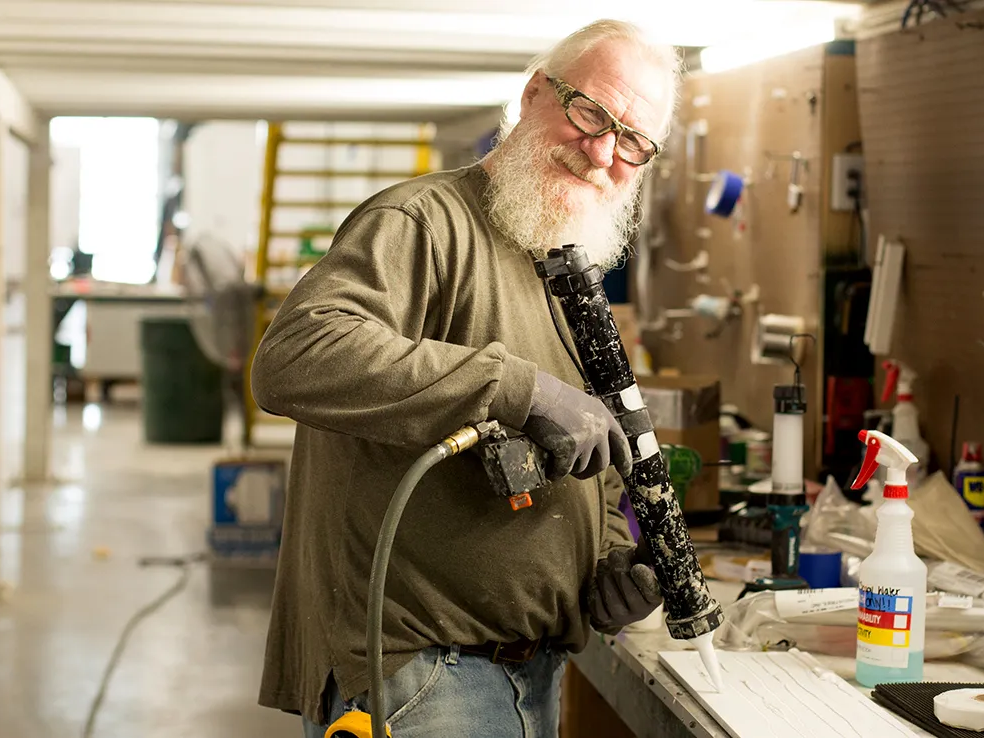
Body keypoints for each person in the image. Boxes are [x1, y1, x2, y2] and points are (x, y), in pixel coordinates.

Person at [251, 18, 684, 738]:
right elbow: (295, 355)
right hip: (419, 677)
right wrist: (518, 389)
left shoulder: (565, 271)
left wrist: (605, 564)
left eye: (633, 142)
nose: (603, 152)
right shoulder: (423, 222)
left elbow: (587, 456)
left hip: (527, 673)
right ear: (535, 93)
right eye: (591, 114)